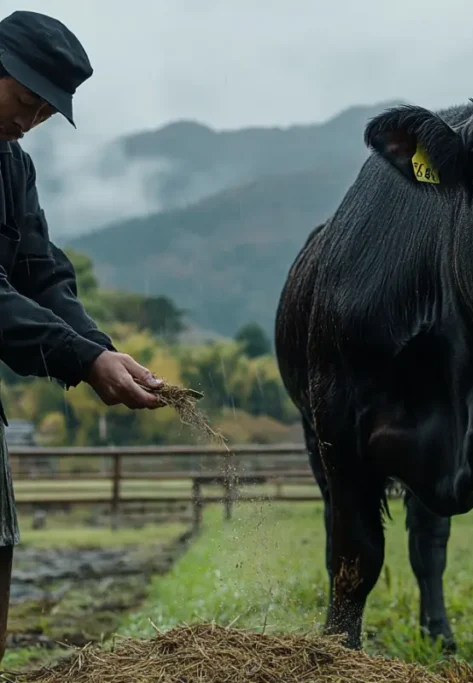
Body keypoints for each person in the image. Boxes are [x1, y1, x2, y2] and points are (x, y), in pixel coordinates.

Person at [0, 9, 165, 663]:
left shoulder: (13, 168)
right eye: (24, 99)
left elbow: (41, 275)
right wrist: (82, 358)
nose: (29, 120)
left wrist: (100, 346)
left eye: (44, 111)